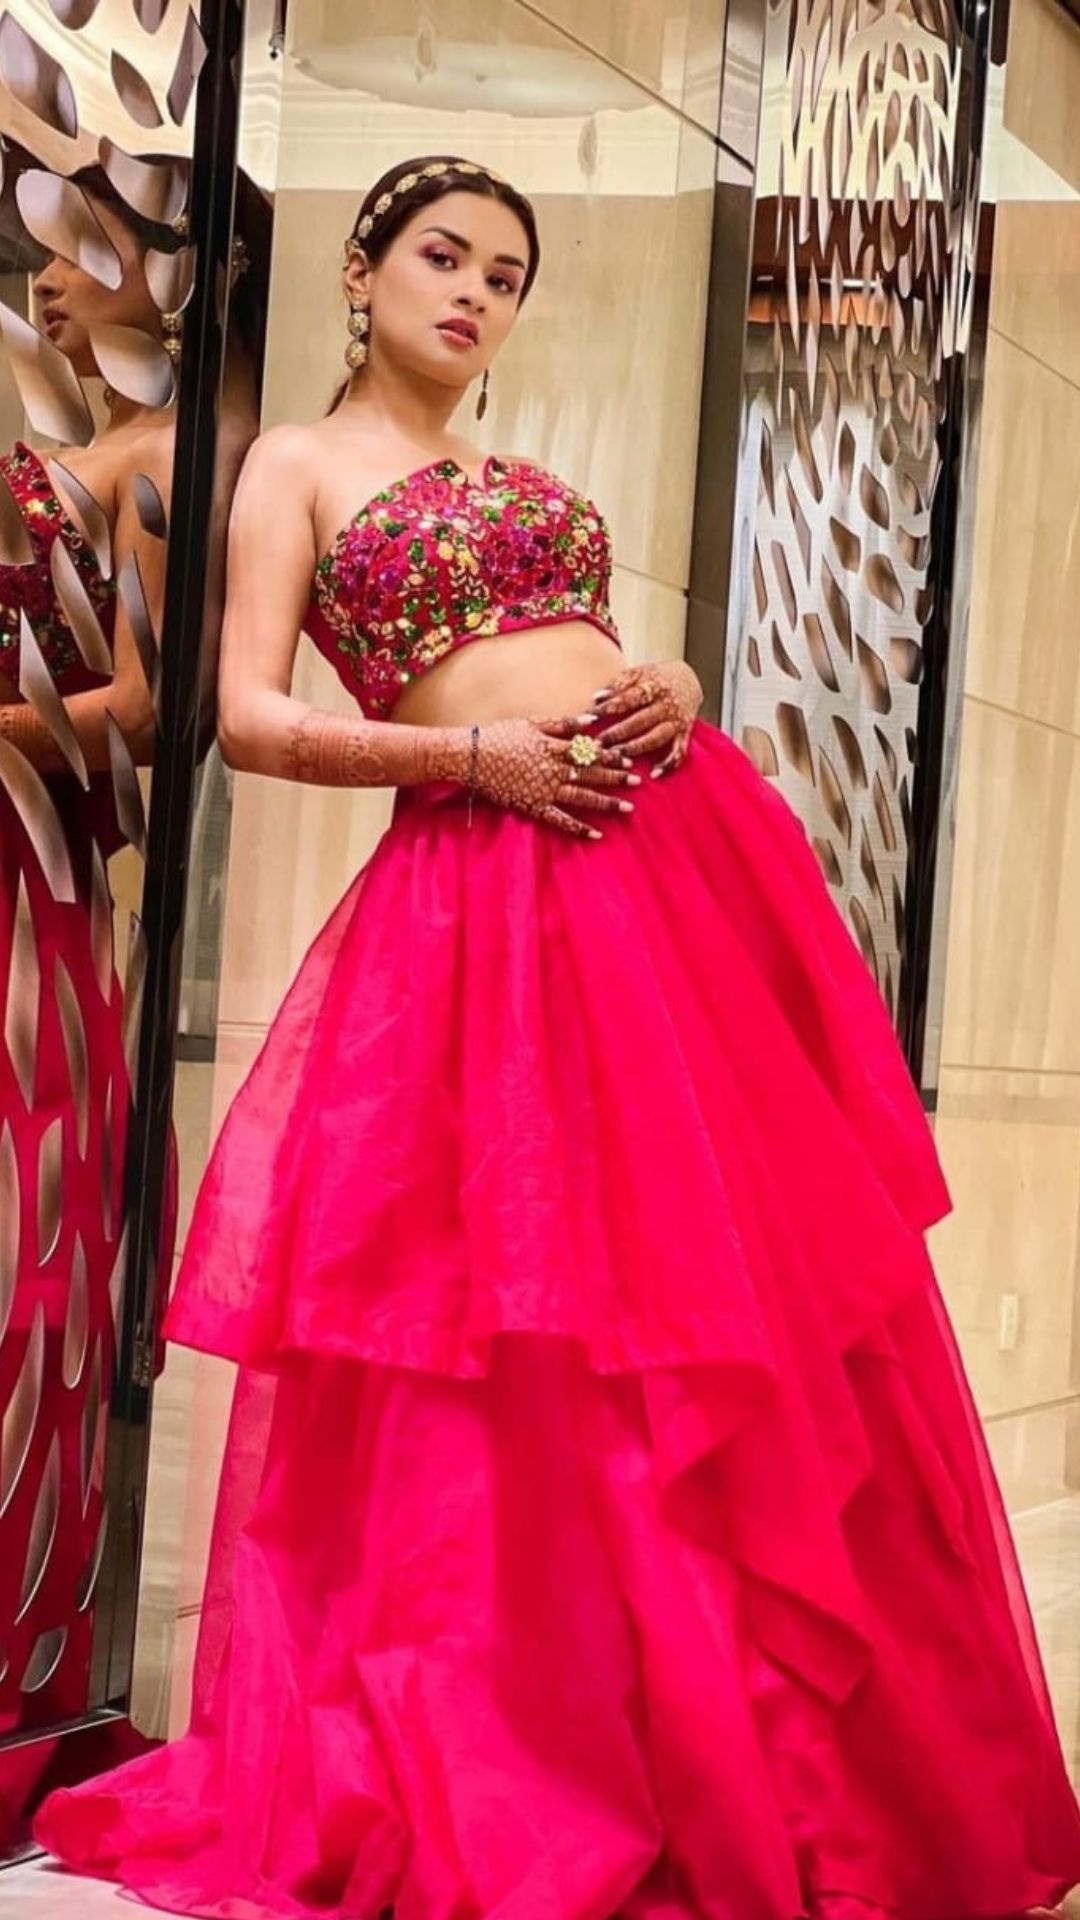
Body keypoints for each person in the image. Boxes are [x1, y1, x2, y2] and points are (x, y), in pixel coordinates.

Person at [32, 153, 1080, 1920]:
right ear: (362, 273)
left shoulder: (519, 478)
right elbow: (252, 718)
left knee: (712, 1303)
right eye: (444, 257)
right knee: (509, 1321)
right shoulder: (295, 467)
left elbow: (584, 648)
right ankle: (541, 1738)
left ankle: (750, 1742)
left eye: (505, 276)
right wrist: (471, 758)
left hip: (672, 874)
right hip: (482, 903)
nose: (473, 294)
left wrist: (674, 680)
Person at [0, 160, 260, 1844]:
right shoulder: (95, 444)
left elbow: (163, 713)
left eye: (82, 245)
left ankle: (26, 1670)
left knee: (27, 1261)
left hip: (36, 888)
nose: (49, 277)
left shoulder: (171, 463)